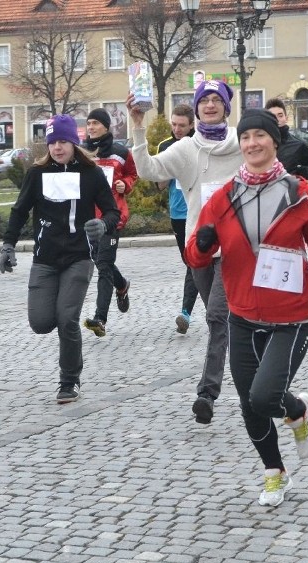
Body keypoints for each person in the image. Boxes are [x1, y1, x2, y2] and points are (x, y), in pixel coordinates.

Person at [184, 109, 308, 506]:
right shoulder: (223, 197)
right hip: (242, 314)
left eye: (260, 136)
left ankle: (298, 410)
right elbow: (197, 258)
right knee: (250, 402)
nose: (253, 143)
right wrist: (201, 244)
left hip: (290, 315)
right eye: (246, 136)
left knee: (266, 397)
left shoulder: (298, 191)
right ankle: (275, 473)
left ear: (274, 141)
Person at [127, 79, 243, 425]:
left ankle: (207, 393)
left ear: (226, 106)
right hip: (200, 249)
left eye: (216, 100)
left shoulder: (242, 143)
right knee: (224, 322)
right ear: (195, 109)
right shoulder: (185, 149)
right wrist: (137, 126)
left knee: (216, 317)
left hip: (235, 249)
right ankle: (253, 363)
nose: (210, 105)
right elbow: (148, 170)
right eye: (203, 100)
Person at [0, 114, 120, 403]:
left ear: (74, 143)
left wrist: (103, 224)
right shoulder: (37, 174)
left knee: (67, 318)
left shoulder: (91, 174)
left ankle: (69, 380)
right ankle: (66, 357)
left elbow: (113, 212)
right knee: (40, 323)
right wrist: (8, 245)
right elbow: (18, 212)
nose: (57, 147)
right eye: (52, 142)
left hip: (79, 257)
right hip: (45, 259)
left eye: (63, 141)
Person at [81, 107, 137, 337]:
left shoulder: (120, 152)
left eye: (95, 123)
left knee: (103, 265)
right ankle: (122, 285)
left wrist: (126, 184)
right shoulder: (81, 152)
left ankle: (100, 318)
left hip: (112, 217)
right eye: (89, 123)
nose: (91, 127)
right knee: (99, 260)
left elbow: (132, 174)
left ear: (106, 126)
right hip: (87, 218)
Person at [156, 103, 198, 334]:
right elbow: (159, 185)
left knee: (195, 262)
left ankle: (185, 312)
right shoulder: (165, 146)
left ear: (192, 125)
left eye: (182, 125)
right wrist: (170, 170)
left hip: (200, 210)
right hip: (178, 214)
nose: (177, 129)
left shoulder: (199, 143)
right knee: (190, 263)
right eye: (174, 124)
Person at [264, 98, 308, 180]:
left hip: (289, 190)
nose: (277, 119)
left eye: (280, 115)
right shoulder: (259, 144)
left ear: (286, 118)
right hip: (263, 190)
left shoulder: (298, 145)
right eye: (272, 116)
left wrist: (301, 172)